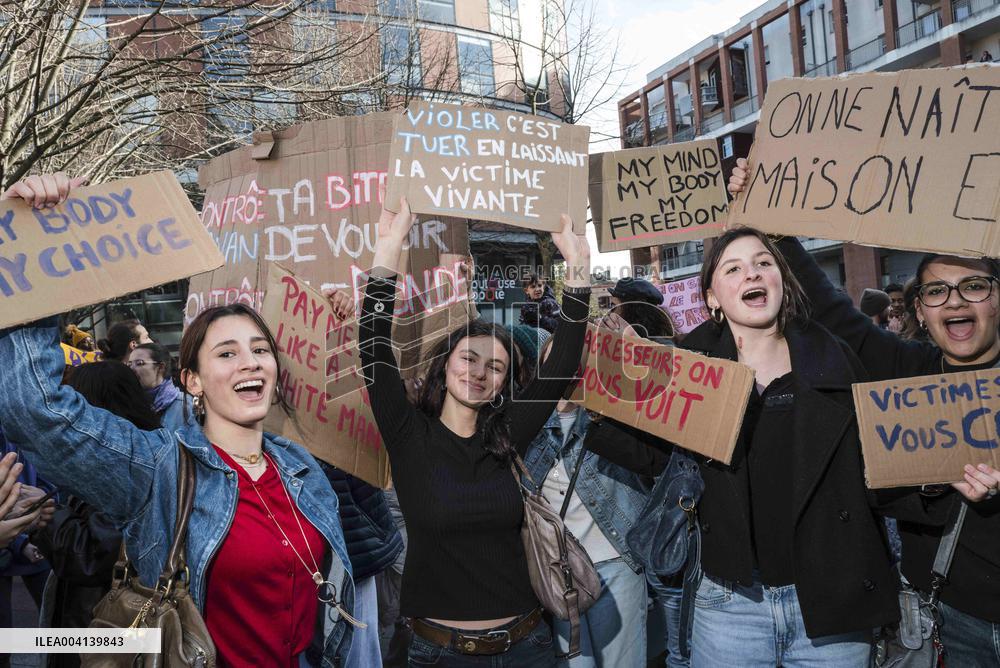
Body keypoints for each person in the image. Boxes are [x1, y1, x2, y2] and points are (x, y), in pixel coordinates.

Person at [0, 175, 360, 665]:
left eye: (260, 350)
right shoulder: (157, 469)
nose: (250, 362)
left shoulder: (301, 467)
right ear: (192, 380)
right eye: (227, 353)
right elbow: (35, 409)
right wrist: (35, 255)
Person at [729, 158, 1000, 666]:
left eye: (975, 286)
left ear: (996, 300)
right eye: (936, 291)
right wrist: (769, 218)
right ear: (919, 309)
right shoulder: (906, 366)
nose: (955, 301)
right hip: (947, 619)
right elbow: (832, 310)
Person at [589, 228, 900, 667]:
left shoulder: (838, 358)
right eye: (732, 268)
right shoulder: (687, 368)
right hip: (729, 606)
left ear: (781, 281)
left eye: (763, 263)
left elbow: (880, 471)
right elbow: (652, 459)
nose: (751, 273)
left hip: (833, 606)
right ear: (713, 298)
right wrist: (609, 391)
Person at [354, 198, 590, 666]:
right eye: (469, 358)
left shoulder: (508, 436)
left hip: (528, 648)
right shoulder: (407, 434)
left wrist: (578, 269)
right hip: (439, 654)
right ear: (445, 366)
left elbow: (561, 365)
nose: (479, 372)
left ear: (504, 383)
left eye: (496, 366)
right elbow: (374, 347)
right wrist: (390, 245)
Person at [32, 361, 160, 667]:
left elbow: (91, 555)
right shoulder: (121, 455)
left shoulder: (126, 466)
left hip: (105, 622)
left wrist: (45, 512)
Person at [126, 342, 190, 431]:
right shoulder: (128, 405)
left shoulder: (185, 407)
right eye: (129, 364)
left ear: (161, 367)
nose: (131, 369)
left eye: (139, 363)